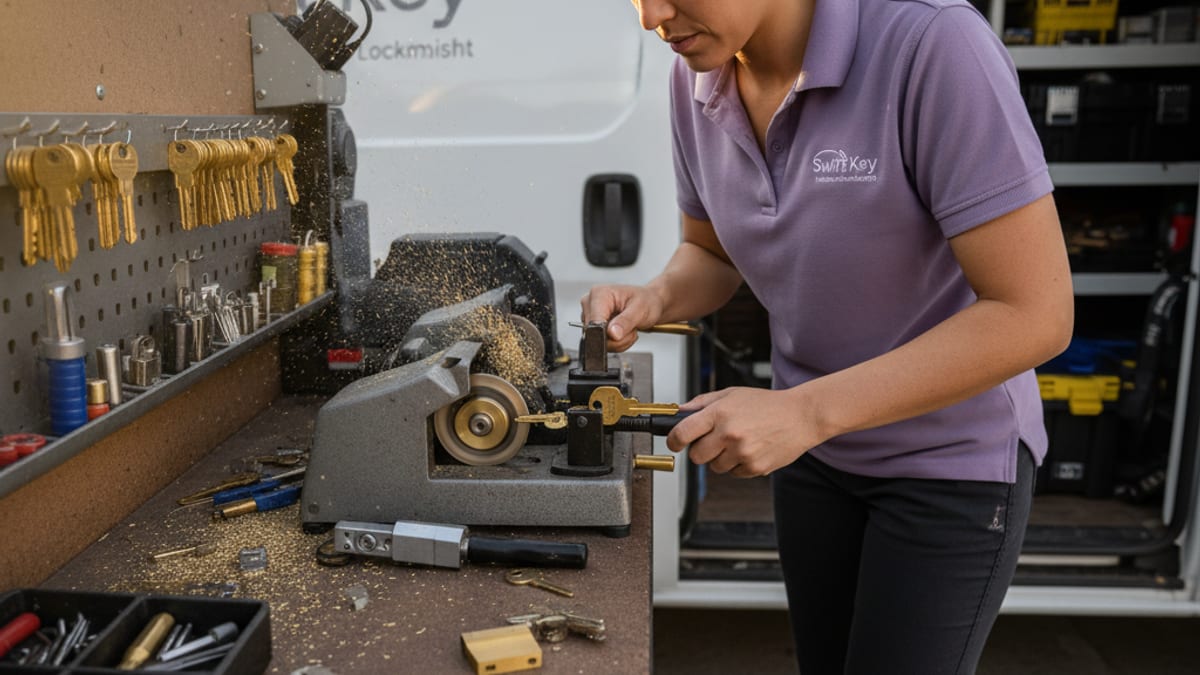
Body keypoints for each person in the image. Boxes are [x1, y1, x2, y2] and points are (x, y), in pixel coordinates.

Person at [582, 0, 1074, 672]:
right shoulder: (698, 71)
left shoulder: (932, 44)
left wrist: (803, 411)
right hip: (817, 459)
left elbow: (1036, 313)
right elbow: (712, 253)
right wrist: (656, 296)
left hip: (948, 464)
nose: (651, 17)